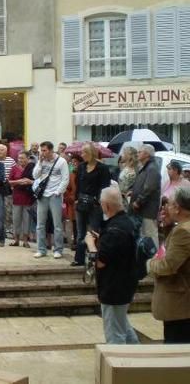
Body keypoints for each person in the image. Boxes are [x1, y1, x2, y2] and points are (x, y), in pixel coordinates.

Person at [85, 187, 139, 345]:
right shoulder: (125, 222)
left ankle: (121, 366)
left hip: (114, 287)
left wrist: (90, 244)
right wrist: (102, 238)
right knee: (123, 326)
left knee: (115, 333)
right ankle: (139, 357)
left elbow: (100, 261)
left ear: (106, 206)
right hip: (125, 283)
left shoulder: (115, 229)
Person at [147, 186, 190, 344]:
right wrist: (167, 228)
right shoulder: (181, 229)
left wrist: (150, 264)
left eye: (170, 204)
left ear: (178, 208)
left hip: (180, 308)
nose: (167, 208)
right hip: (182, 308)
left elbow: (168, 266)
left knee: (177, 352)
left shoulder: (183, 232)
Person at [72, 143, 112, 266]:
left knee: (93, 232)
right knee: (80, 232)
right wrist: (76, 198)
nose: (82, 155)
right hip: (81, 202)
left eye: (84, 153)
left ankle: (93, 258)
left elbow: (105, 186)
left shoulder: (102, 168)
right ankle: (79, 259)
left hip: (95, 204)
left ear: (91, 154)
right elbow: (78, 184)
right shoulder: (82, 167)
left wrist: (99, 201)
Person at [33, 141, 69, 259]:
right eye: (41, 151)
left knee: (57, 224)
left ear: (51, 150)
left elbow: (65, 179)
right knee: (40, 224)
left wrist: (58, 192)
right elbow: (35, 176)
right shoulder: (42, 161)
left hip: (55, 195)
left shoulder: (61, 162)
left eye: (44, 150)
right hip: (43, 195)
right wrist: (39, 162)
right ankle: (41, 249)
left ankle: (58, 249)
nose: (42, 153)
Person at [130, 144, 161, 246]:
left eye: (140, 152)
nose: (137, 154)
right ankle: (146, 259)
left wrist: (138, 201)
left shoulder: (152, 168)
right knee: (144, 235)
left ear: (147, 154)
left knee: (150, 235)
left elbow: (149, 188)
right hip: (143, 210)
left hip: (148, 210)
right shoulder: (146, 167)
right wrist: (133, 191)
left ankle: (155, 259)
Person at [8, 151, 34, 248]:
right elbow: (9, 182)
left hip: (28, 197)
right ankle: (16, 240)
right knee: (16, 219)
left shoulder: (32, 168)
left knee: (27, 220)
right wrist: (18, 181)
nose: (20, 160)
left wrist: (29, 182)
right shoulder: (14, 168)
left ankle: (26, 241)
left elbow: (37, 180)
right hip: (17, 197)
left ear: (28, 158)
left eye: (22, 158)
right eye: (19, 158)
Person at [0, 144, 15, 238]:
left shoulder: (11, 161)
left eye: (3, 150)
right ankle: (0, 230)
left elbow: (14, 172)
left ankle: (9, 230)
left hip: (8, 187)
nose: (1, 152)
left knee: (8, 210)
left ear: (6, 151)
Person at [118, 146, 138, 212]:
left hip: (125, 199)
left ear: (128, 156)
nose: (122, 155)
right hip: (120, 197)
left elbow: (126, 187)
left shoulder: (132, 171)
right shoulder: (125, 167)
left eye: (123, 153)